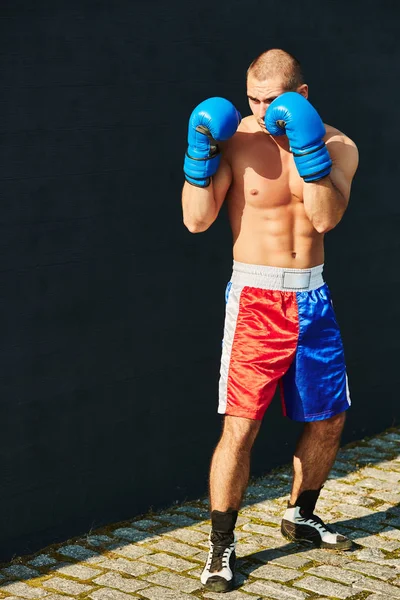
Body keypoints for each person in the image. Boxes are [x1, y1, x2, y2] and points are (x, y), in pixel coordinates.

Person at [181, 48, 359, 593]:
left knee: (328, 420)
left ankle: (301, 513)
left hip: (313, 298)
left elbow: (325, 217)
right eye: (251, 99)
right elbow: (196, 220)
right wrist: (199, 154)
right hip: (256, 297)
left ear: (300, 97)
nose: (259, 111)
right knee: (242, 425)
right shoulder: (236, 142)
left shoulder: (337, 144)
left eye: (270, 100)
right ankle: (219, 548)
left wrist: (305, 150)